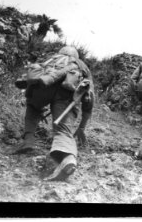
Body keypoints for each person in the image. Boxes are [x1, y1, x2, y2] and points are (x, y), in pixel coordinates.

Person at [15, 46, 94, 181]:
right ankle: (68, 158)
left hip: (43, 88)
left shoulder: (51, 59)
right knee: (63, 129)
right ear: (76, 56)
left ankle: (28, 140)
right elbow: (89, 98)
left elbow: (34, 77)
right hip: (66, 92)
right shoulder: (82, 66)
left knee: (33, 108)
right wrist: (82, 127)